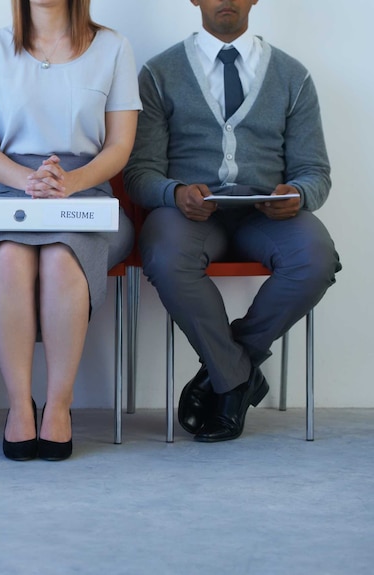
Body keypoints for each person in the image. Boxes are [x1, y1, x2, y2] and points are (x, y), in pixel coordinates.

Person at [124, 0, 341, 442]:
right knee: (166, 257)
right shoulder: (158, 73)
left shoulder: (292, 76)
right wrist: (175, 193)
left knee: (316, 259)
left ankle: (226, 370)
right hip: (189, 215)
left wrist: (297, 195)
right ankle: (237, 380)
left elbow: (315, 172)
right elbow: (139, 173)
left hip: (267, 216)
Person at [0, 0, 140, 461]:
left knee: (62, 259)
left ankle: (59, 404)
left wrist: (70, 183)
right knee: (8, 258)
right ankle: (20, 405)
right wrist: (30, 182)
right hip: (10, 192)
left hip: (90, 193)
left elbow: (120, 145)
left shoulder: (114, 47)